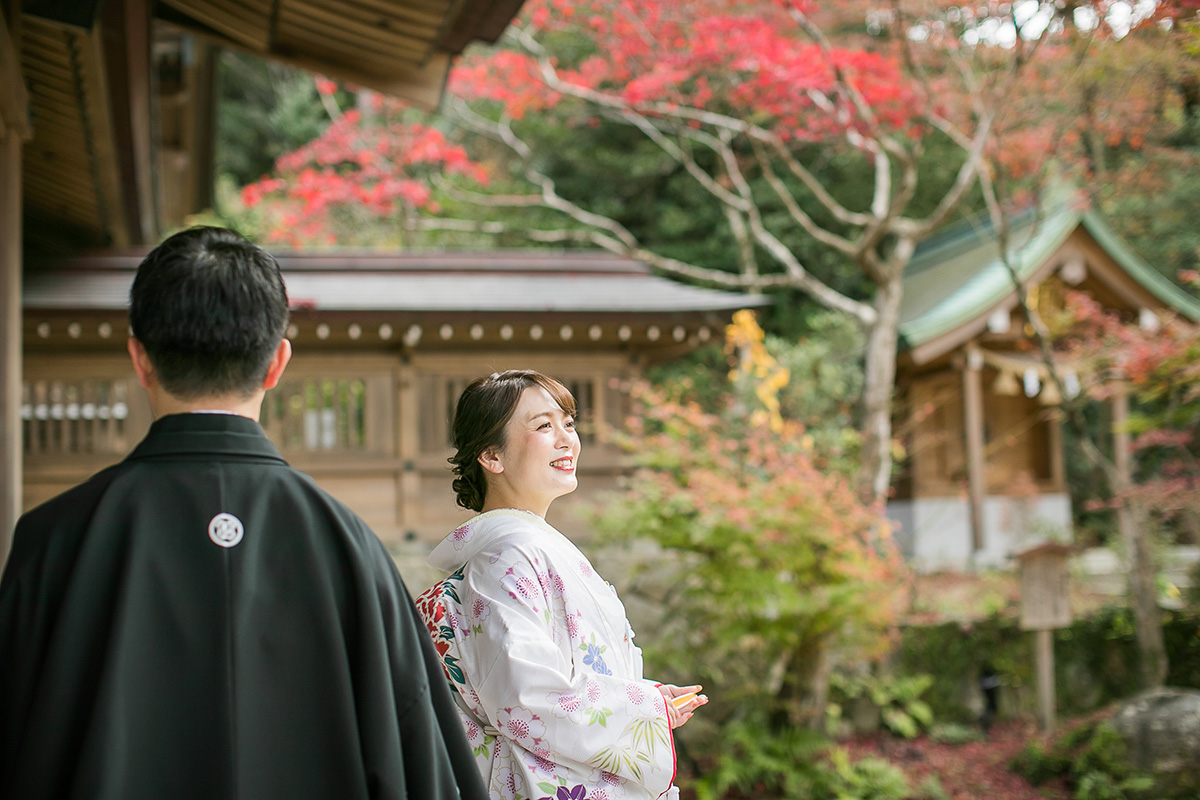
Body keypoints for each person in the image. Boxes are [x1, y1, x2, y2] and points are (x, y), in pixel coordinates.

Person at [0, 226, 488, 800]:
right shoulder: (351, 547)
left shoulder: (55, 538)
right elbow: (420, 766)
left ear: (139, 357)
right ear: (277, 363)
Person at [415, 370, 706, 800]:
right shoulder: (506, 556)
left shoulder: (527, 548)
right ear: (492, 456)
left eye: (568, 423)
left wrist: (641, 698)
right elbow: (525, 696)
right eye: (544, 426)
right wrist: (641, 710)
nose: (567, 439)